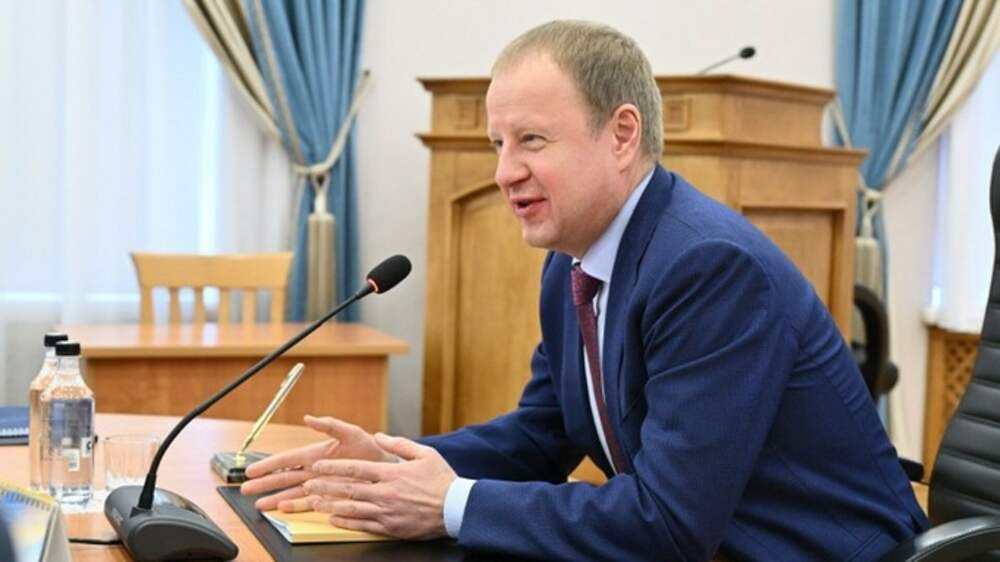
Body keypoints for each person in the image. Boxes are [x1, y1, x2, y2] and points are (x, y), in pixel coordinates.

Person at [241, 20, 928, 561]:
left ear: (622, 135)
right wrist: (391, 465)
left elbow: (669, 523)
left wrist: (448, 503)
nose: (505, 172)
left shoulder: (708, 267)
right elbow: (540, 437)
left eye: (532, 140)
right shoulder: (573, 264)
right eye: (498, 144)